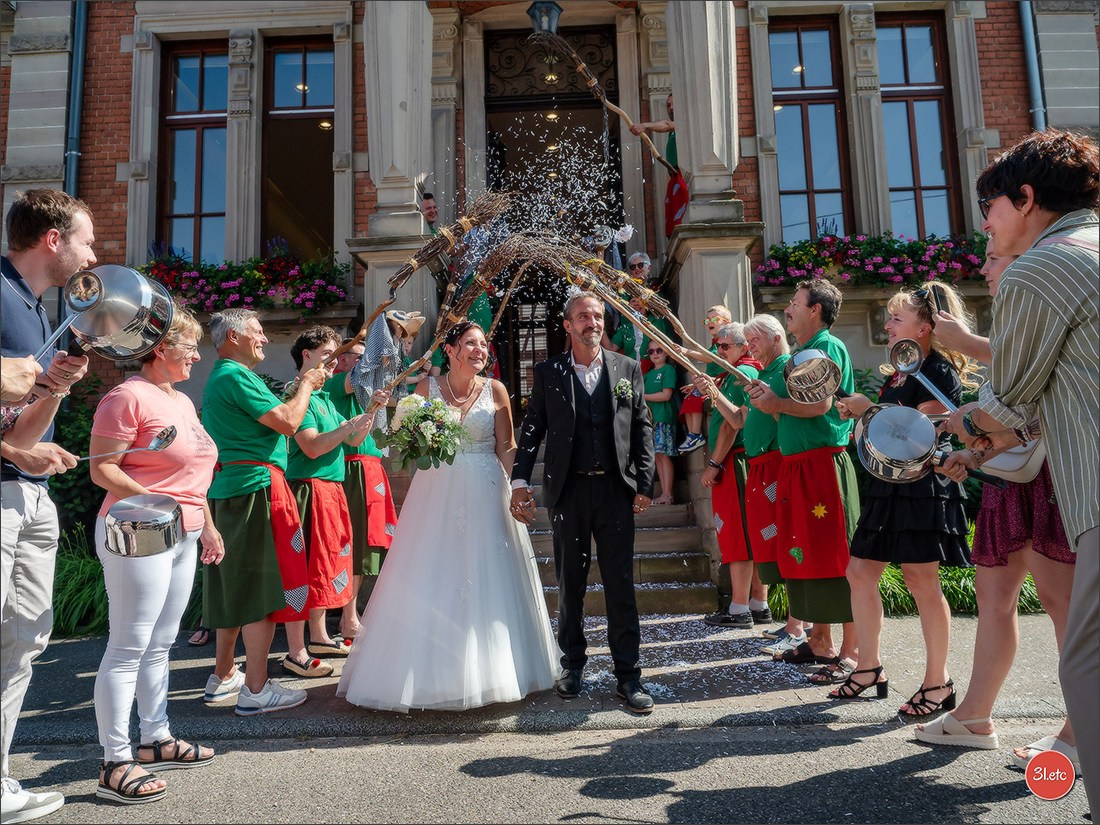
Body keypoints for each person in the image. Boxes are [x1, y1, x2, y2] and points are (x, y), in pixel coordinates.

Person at [938, 130, 1098, 813]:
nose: (985, 224)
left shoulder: (1043, 265)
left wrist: (955, 432)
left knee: (1085, 659)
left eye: (990, 206)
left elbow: (1007, 406)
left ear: (1026, 199)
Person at [915, 242, 1079, 773]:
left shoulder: (1040, 295)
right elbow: (1020, 418)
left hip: (1048, 477)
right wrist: (970, 450)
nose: (981, 268)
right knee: (994, 595)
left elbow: (1033, 404)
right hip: (1017, 476)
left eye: (992, 255)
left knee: (1061, 605)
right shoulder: (1013, 314)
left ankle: (1080, 733)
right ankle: (974, 716)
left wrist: (964, 345)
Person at [338, 322, 558, 712]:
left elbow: (506, 445)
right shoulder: (427, 389)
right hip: (436, 491)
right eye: (470, 344)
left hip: (488, 488)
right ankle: (428, 676)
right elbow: (407, 440)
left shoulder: (496, 390)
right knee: (431, 570)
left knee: (488, 572)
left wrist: (520, 486)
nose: (479, 350)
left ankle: (494, 672)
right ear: (451, 349)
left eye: (483, 345)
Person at [87, 302, 221, 804]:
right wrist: (157, 506)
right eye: (189, 346)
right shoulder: (126, 397)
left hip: (181, 532)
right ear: (161, 348)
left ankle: (155, 739)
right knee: (128, 646)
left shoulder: (181, 401)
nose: (195, 355)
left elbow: (193, 477)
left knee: (161, 643)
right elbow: (103, 470)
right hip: (136, 531)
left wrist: (205, 525)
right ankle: (115, 760)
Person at [826, 284, 975, 705]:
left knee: (921, 581)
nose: (888, 324)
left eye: (896, 317)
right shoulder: (902, 371)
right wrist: (861, 415)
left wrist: (866, 409)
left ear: (926, 327)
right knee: (860, 572)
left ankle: (938, 682)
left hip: (923, 487)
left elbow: (919, 430)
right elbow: (888, 432)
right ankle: (870, 667)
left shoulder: (937, 370)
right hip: (891, 484)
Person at [510, 292, 657, 714]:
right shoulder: (548, 371)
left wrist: (643, 482)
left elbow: (643, 428)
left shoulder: (626, 368)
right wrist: (520, 481)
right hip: (569, 492)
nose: (591, 321)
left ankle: (628, 676)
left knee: (620, 585)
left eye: (596, 315)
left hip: (615, 491)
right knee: (570, 584)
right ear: (567, 325)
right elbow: (533, 428)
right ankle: (572, 665)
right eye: (582, 316)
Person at [1, 188, 94, 823]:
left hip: (27, 494)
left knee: (25, 638)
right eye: (87, 240)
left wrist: (55, 387)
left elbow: (21, 435)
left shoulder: (38, 313)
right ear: (53, 239)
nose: (95, 253)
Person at [200, 308, 328, 716]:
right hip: (256, 486)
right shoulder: (237, 375)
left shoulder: (224, 376)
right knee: (261, 588)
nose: (264, 339)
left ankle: (223, 675)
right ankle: (255, 688)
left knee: (235, 584)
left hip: (234, 486)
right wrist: (306, 383)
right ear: (233, 336)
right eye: (256, 332)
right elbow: (289, 422)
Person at [746, 280, 859, 672]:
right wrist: (770, 403)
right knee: (807, 552)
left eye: (795, 303)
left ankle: (853, 652)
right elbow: (794, 410)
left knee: (832, 553)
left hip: (821, 465)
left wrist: (775, 402)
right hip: (800, 465)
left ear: (815, 310)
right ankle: (820, 641)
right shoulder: (805, 351)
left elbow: (821, 404)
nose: (787, 309)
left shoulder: (826, 346)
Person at [282, 326, 377, 679]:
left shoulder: (322, 398)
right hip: (308, 488)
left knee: (324, 565)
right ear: (306, 354)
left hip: (330, 488)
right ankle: (296, 650)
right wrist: (346, 428)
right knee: (304, 568)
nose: (333, 363)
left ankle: (319, 636)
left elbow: (355, 439)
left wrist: (371, 411)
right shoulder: (298, 395)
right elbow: (312, 446)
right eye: (327, 355)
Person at [691, 322, 769, 629]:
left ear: (742, 348)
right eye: (717, 346)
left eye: (725, 346)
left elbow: (731, 423)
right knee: (754, 532)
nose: (719, 351)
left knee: (737, 533)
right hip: (743, 461)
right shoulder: (737, 372)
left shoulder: (742, 374)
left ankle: (739, 608)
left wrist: (714, 463)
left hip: (735, 461)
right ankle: (757, 604)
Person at [323, 338, 398, 644]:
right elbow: (362, 376)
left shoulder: (364, 388)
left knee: (368, 546)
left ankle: (351, 615)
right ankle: (347, 617)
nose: (362, 362)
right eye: (357, 356)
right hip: (351, 469)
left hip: (371, 469)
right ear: (341, 361)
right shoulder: (337, 383)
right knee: (350, 543)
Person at [629, 93, 687, 237]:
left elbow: (667, 125)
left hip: (683, 179)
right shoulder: (674, 130)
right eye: (668, 105)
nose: (671, 108)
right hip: (675, 179)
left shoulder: (685, 123)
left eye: (674, 104)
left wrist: (645, 125)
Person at [677, 306, 732, 454]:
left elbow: (709, 357)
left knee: (695, 398)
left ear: (727, 322)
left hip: (724, 383)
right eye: (707, 320)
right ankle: (692, 435)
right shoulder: (716, 342)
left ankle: (695, 435)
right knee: (690, 398)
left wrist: (687, 351)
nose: (709, 322)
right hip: (714, 382)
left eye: (714, 319)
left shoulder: (725, 341)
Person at [642, 341, 678, 505]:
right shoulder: (648, 374)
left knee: (663, 456)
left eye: (659, 350)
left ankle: (668, 494)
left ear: (667, 352)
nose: (655, 353)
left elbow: (666, 395)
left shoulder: (668, 370)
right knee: (657, 456)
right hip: (651, 420)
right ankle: (665, 495)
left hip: (663, 417)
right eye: (651, 351)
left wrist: (641, 397)